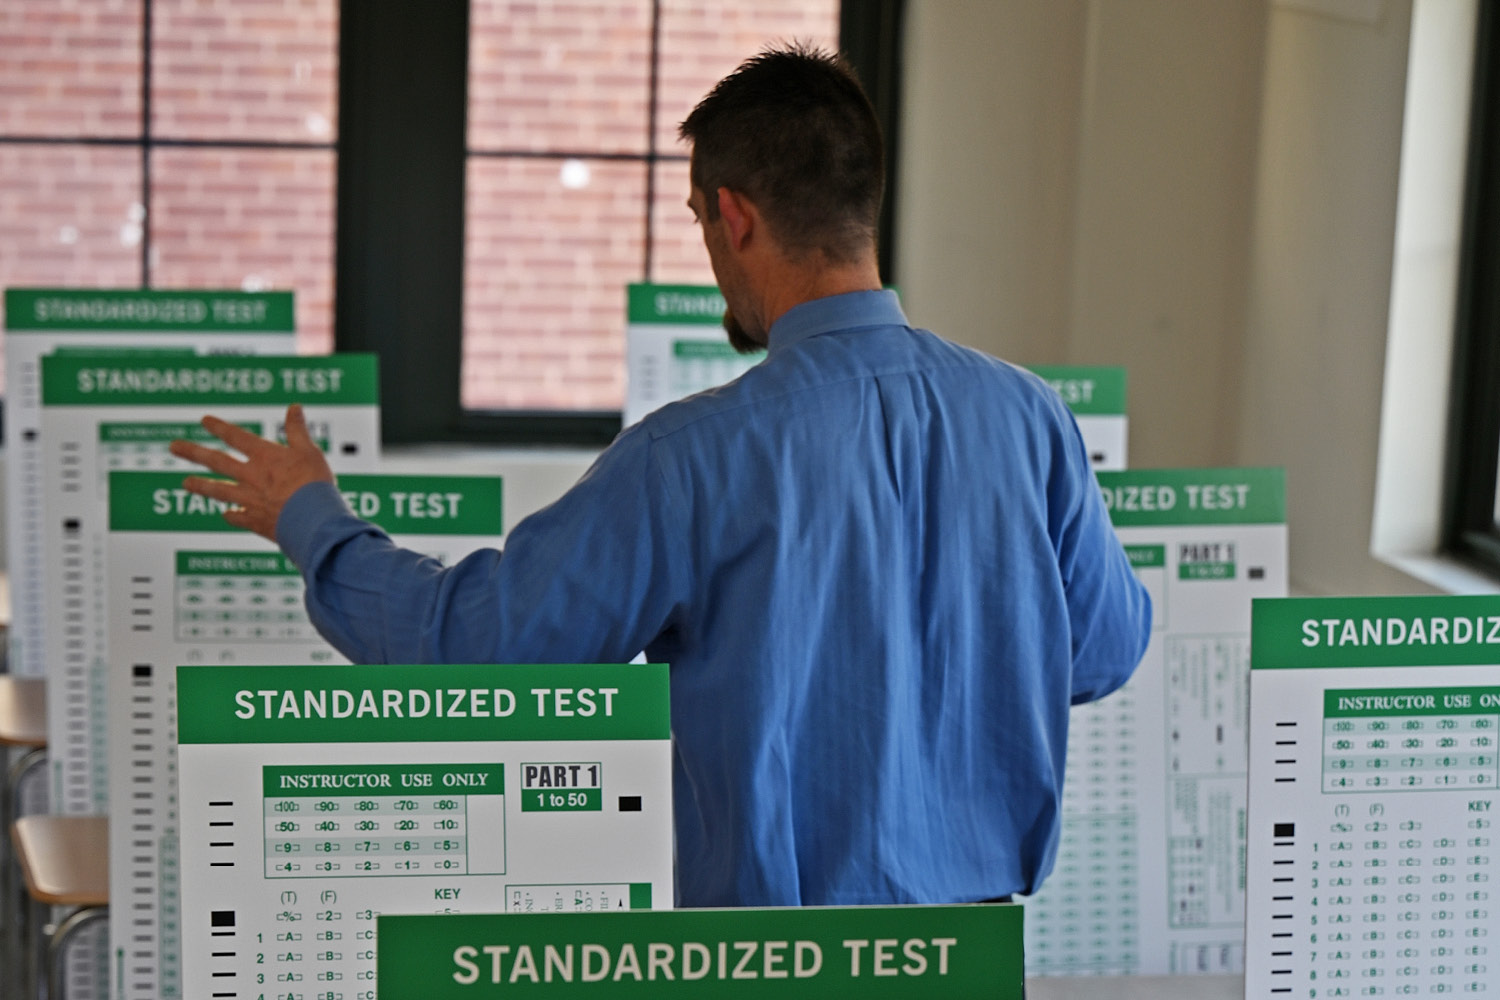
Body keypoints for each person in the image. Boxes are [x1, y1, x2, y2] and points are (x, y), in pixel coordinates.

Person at [170, 44, 1151, 909]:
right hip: (978, 961)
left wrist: (312, 520)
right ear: (863, 205)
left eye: (697, 217)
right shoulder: (1031, 417)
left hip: (772, 974)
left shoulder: (693, 455)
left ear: (734, 217)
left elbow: (478, 647)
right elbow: (1104, 649)